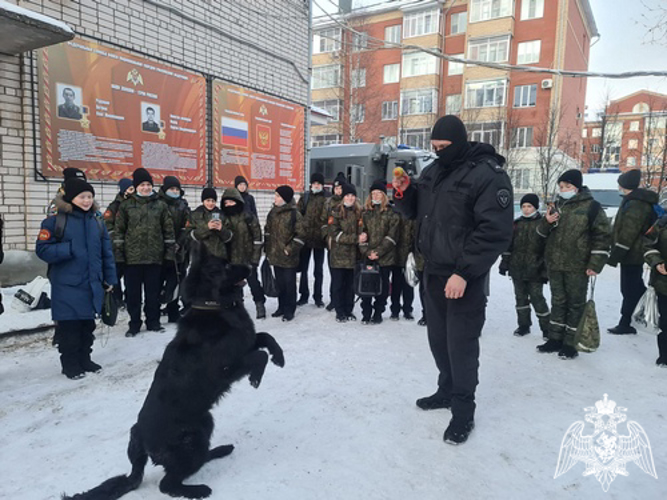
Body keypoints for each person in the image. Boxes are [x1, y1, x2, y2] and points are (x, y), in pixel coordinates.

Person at [392, 115, 513, 445]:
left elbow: (495, 231)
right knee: (438, 340)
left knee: (460, 345)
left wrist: (464, 272)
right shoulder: (433, 171)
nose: (437, 152)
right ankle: (446, 390)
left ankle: (463, 411)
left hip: (464, 276)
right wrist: (403, 194)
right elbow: (415, 211)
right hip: (433, 271)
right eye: (434, 147)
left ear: (459, 143)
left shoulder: (487, 175)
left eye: (443, 147)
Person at [36, 178, 116, 379]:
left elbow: (107, 254)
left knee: (87, 326)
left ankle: (85, 359)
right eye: (82, 197)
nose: (87, 200)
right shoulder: (55, 221)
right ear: (71, 198)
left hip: (92, 284)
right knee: (70, 328)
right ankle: (70, 364)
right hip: (67, 285)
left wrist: (109, 279)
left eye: (90, 197)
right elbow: (42, 249)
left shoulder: (97, 222)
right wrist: (68, 249)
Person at [536, 169, 611, 359]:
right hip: (555, 263)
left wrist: (596, 263)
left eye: (567, 186)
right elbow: (541, 234)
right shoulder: (556, 206)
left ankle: (570, 343)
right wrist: (546, 221)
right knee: (558, 301)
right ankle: (555, 339)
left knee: (575, 304)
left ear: (576, 187)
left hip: (578, 265)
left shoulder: (592, 207)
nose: (563, 189)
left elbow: (602, 236)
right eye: (561, 186)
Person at [113, 168, 176, 336]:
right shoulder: (126, 206)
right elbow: (119, 231)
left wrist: (169, 255)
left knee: (152, 294)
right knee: (133, 295)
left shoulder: (161, 205)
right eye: (142, 185)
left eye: (149, 184)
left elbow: (168, 232)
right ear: (136, 186)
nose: (146, 188)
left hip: (154, 258)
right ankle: (134, 323)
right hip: (131, 260)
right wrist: (119, 255)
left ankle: (153, 321)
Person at [607, 169, 658, 335]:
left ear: (624, 185)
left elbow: (629, 231)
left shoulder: (636, 204)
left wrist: (615, 255)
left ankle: (626, 322)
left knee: (628, 289)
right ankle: (642, 312)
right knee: (635, 286)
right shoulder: (633, 200)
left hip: (633, 253)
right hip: (632, 252)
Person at [499, 194, 550, 338]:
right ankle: (523, 325)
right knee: (520, 298)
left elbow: (547, 249)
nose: (526, 210)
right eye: (524, 207)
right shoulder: (516, 224)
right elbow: (509, 245)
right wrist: (505, 263)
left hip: (536, 269)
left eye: (530, 206)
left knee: (537, 298)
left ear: (536, 207)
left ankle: (547, 328)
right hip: (517, 268)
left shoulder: (543, 224)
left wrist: (545, 270)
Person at [359, 180, 400, 325]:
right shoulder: (365, 213)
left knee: (382, 289)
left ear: (384, 195)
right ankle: (366, 313)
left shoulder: (391, 214)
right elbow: (361, 235)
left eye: (379, 193)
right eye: (373, 193)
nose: (376, 195)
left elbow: (392, 236)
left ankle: (378, 312)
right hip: (368, 256)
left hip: (385, 258)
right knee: (366, 286)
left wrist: (378, 252)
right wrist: (367, 252)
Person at [220, 187, 266, 319]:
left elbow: (257, 237)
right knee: (234, 285)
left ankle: (259, 304)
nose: (228, 205)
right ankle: (238, 307)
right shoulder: (223, 218)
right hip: (231, 259)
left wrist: (255, 259)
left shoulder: (248, 216)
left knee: (253, 283)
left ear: (238, 201)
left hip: (247, 257)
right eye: (226, 203)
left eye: (231, 202)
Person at [264, 185, 305, 322]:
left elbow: (301, 235)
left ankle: (289, 309)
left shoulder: (295, 214)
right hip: (275, 256)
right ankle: (281, 307)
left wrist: (290, 249)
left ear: (284, 198)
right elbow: (267, 232)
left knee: (289, 284)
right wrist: (267, 249)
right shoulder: (272, 213)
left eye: (277, 196)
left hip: (289, 257)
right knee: (280, 284)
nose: (275, 198)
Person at [158, 176, 192, 323]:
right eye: (172, 189)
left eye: (177, 189)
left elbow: (188, 227)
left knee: (176, 281)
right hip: (159, 251)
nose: (174, 191)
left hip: (178, 251)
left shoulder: (183, 205)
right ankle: (155, 312)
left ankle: (173, 311)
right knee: (158, 282)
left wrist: (179, 243)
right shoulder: (157, 204)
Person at [330, 183, 362, 323]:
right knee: (338, 285)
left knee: (350, 286)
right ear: (343, 197)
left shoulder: (360, 212)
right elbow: (335, 233)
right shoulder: (335, 212)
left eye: (352, 196)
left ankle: (349, 310)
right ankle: (339, 311)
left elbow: (363, 230)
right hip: (338, 256)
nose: (350, 198)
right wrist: (355, 238)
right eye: (347, 196)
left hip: (354, 256)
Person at [297, 172, 329, 307]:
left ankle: (318, 296)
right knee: (303, 269)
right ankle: (303, 295)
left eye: (319, 184)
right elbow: (298, 216)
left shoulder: (327, 199)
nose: (316, 186)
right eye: (314, 183)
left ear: (322, 185)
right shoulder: (305, 197)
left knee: (318, 270)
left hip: (320, 241)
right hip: (305, 239)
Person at [641, 216, 667, 366]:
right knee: (666, 320)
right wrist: (656, 262)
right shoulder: (663, 222)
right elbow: (647, 243)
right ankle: (664, 356)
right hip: (664, 282)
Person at [104, 178, 134, 307]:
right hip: (117, 248)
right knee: (116, 275)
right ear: (124, 190)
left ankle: (130, 298)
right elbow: (107, 226)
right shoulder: (114, 206)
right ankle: (117, 299)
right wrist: (117, 240)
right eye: (130, 189)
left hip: (133, 248)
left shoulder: (137, 204)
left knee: (131, 277)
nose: (133, 191)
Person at [321, 172, 347, 312]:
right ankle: (334, 299)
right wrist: (327, 236)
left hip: (347, 244)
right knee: (334, 274)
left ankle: (344, 299)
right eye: (336, 189)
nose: (338, 191)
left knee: (345, 275)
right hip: (332, 244)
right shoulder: (328, 203)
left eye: (341, 188)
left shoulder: (350, 201)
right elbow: (323, 222)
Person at [191, 187, 233, 260]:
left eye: (213, 201)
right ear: (203, 201)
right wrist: (207, 228)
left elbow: (229, 237)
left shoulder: (222, 215)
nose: (210, 203)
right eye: (208, 200)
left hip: (219, 257)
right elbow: (191, 235)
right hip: (200, 256)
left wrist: (221, 229)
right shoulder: (194, 214)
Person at [390, 211, 416, 321]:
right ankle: (395, 310)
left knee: (408, 284)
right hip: (395, 254)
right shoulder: (393, 214)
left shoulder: (413, 215)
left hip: (409, 255)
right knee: (396, 284)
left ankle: (407, 309)